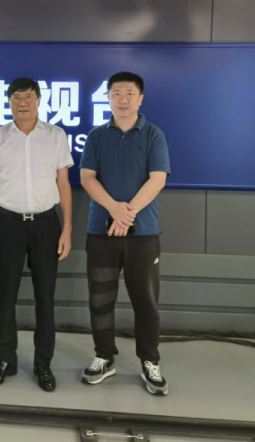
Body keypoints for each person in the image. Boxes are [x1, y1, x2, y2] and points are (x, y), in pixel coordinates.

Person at [0, 77, 73, 392]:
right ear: (9, 102)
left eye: (29, 97)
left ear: (39, 100)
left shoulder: (56, 136)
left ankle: (43, 363)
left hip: (47, 225)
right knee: (6, 295)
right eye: (17, 97)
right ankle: (5, 359)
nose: (23, 103)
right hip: (8, 224)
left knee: (45, 296)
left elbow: (64, 184)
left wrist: (67, 228)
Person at [79, 71, 171, 396]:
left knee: (146, 302)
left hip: (143, 234)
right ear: (108, 98)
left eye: (129, 93)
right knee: (100, 299)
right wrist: (114, 210)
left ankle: (150, 360)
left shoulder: (154, 135)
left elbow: (158, 179)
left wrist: (127, 213)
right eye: (116, 93)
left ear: (140, 98)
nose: (123, 99)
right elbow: (87, 177)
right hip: (101, 233)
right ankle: (104, 356)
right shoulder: (96, 136)